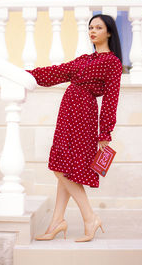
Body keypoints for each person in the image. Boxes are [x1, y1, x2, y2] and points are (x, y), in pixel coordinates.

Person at [27, 14, 122, 242]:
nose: (92, 31)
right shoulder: (83, 59)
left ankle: (90, 217)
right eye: (90, 27)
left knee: (63, 168)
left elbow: (111, 99)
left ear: (109, 32)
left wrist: (105, 132)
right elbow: (57, 72)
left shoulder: (112, 63)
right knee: (64, 167)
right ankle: (57, 222)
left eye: (98, 27)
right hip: (67, 113)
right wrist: (27, 74)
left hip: (84, 116)